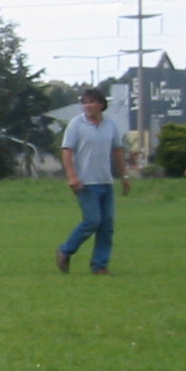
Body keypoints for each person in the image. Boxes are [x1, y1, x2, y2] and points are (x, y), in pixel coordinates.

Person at [56, 87, 130, 275]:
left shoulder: (111, 124)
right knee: (93, 220)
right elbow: (67, 151)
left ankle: (99, 265)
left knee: (107, 225)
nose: (87, 106)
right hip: (85, 183)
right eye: (85, 102)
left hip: (105, 181)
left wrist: (124, 176)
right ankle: (65, 250)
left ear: (101, 105)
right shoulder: (76, 124)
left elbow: (117, 151)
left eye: (91, 102)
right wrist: (72, 176)